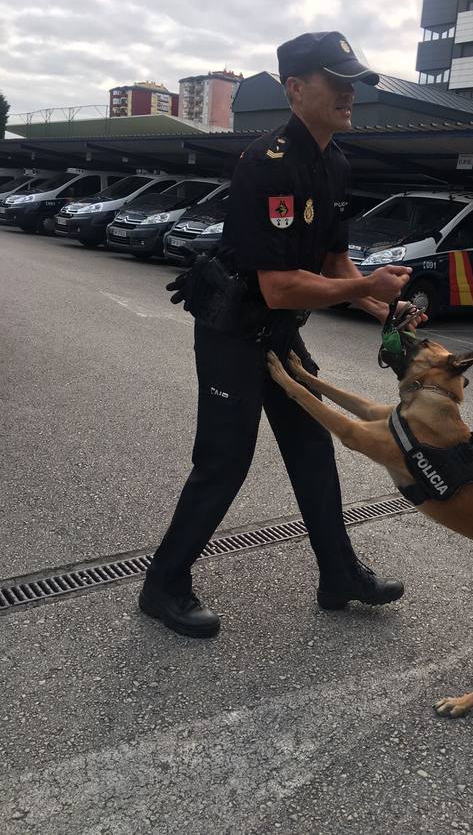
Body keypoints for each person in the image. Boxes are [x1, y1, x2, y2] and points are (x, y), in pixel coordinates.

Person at [139, 31, 420, 638]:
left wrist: (383, 307)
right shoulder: (267, 166)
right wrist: (364, 287)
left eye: (353, 82)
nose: (350, 93)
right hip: (234, 329)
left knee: (313, 447)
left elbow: (335, 265)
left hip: (278, 332)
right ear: (295, 89)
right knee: (224, 462)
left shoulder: (334, 164)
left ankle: (339, 574)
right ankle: (163, 586)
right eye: (335, 81)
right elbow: (279, 286)